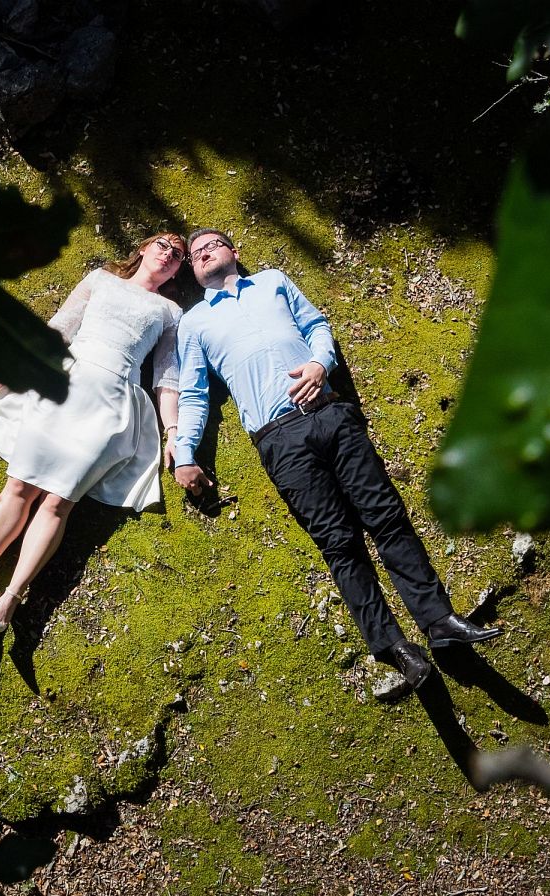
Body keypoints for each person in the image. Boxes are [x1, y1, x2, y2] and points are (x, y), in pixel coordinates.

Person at [172, 228, 501, 702]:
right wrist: (185, 454)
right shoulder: (194, 322)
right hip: (278, 438)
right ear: (194, 271)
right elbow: (195, 392)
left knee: (386, 516)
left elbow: (317, 326)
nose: (203, 252)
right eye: (196, 253)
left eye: (212, 245)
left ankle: (439, 620)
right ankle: (394, 648)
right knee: (339, 543)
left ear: (234, 252)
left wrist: (320, 364)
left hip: (330, 411)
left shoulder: (272, 281)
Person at [0, 232, 188, 634]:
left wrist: (174, 429)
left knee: (59, 502)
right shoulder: (100, 280)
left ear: (179, 269)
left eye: (177, 255)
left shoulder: (170, 312)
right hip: (66, 384)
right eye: (162, 245)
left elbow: (166, 375)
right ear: (143, 248)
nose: (168, 254)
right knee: (18, 487)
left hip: (112, 404)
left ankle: (11, 596)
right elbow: (59, 330)